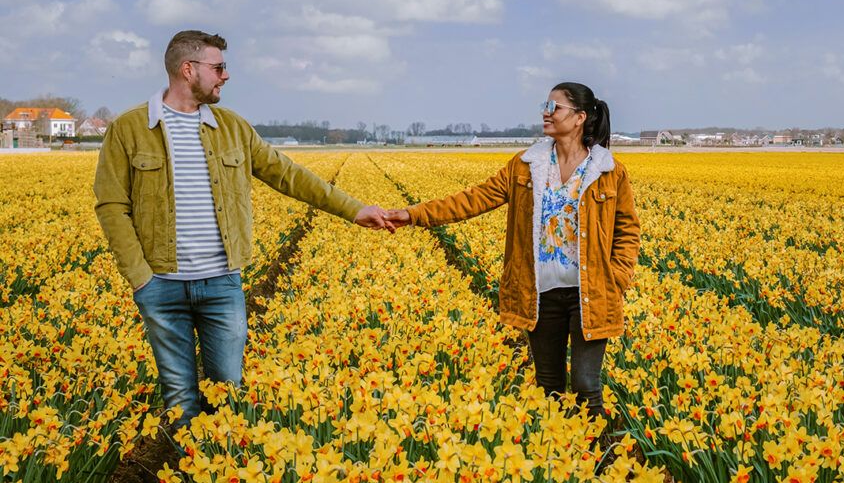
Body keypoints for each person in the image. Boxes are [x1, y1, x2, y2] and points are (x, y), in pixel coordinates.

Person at [94, 30, 393, 432]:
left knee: (228, 394)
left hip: (221, 285)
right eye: (217, 68)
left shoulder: (232, 127)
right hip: (161, 285)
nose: (225, 76)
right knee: (180, 400)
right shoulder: (129, 129)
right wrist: (140, 278)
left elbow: (288, 174)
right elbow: (112, 205)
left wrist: (355, 210)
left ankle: (220, 466)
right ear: (188, 70)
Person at [386, 82, 640, 418]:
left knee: (584, 385)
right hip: (541, 293)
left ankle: (598, 458)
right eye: (544, 105)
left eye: (554, 107)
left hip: (591, 293)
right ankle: (559, 458)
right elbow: (472, 200)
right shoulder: (526, 166)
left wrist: (616, 279)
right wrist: (412, 214)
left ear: (580, 117)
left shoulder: (608, 172)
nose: (545, 113)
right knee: (548, 385)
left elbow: (628, 229)